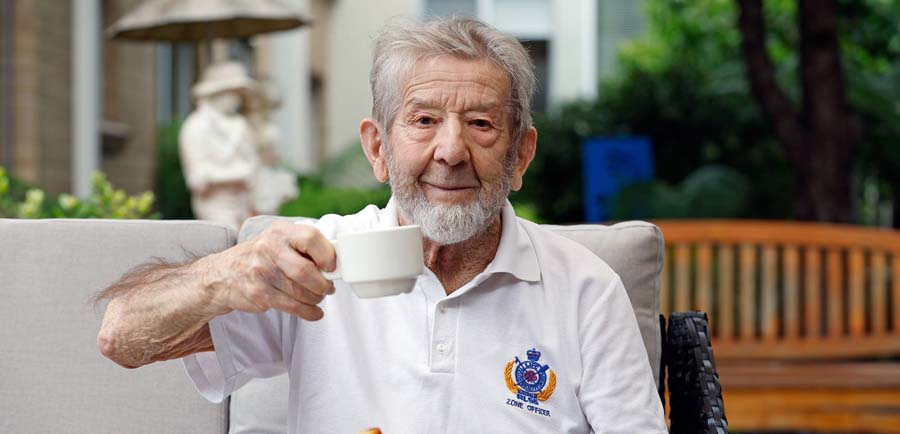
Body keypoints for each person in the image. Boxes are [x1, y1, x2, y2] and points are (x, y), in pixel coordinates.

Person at [97, 17, 667, 434]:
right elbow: (121, 337)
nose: (451, 151)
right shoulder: (313, 263)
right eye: (423, 120)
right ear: (378, 148)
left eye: (480, 123)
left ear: (520, 154)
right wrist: (222, 276)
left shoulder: (586, 289)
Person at [179, 61, 259, 231]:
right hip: (216, 204)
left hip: (243, 202)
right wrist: (237, 173)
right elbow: (197, 177)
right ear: (215, 93)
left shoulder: (240, 125)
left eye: (238, 94)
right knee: (225, 238)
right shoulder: (197, 126)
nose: (236, 100)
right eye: (231, 93)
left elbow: (253, 162)